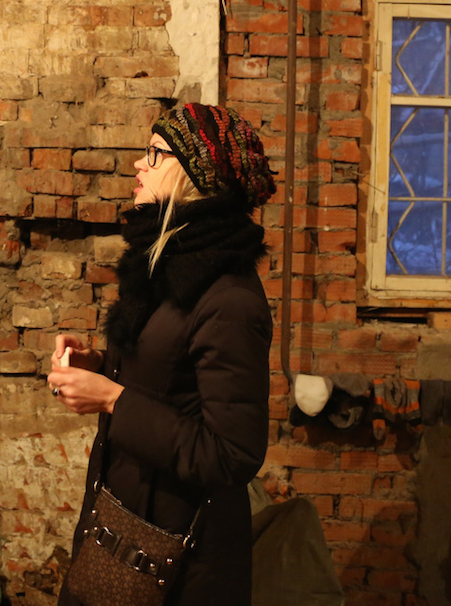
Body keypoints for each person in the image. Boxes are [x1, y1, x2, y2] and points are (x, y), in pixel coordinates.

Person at [49, 103, 277, 606]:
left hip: (183, 560)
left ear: (196, 175)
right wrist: (98, 366)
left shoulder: (230, 298)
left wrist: (113, 400)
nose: (139, 164)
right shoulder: (166, 262)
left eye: (155, 153)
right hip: (129, 517)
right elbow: (168, 382)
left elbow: (231, 454)